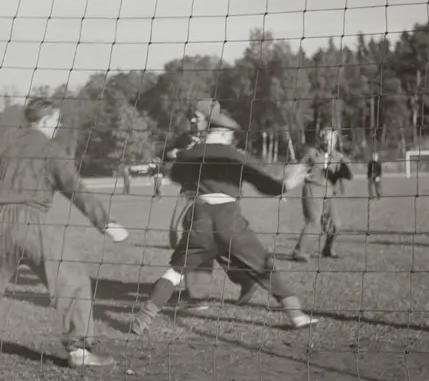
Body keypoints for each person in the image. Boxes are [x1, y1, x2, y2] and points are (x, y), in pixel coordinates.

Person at [0, 97, 129, 369]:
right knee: (73, 279)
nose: (58, 127)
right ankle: (79, 351)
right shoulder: (51, 150)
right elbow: (75, 188)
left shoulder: (9, 148)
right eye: (56, 121)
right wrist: (105, 223)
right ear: (46, 120)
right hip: (30, 221)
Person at [130, 109, 316, 337]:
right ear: (226, 134)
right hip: (229, 217)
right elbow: (265, 184)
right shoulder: (235, 155)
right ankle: (297, 316)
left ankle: (143, 318)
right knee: (264, 266)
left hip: (198, 218)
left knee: (175, 272)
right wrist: (288, 183)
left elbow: (176, 175)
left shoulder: (188, 154)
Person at [163, 99, 255, 310]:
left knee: (198, 240)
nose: (192, 120)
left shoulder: (219, 139)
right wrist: (172, 154)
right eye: (191, 116)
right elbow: (167, 153)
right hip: (188, 194)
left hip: (210, 197)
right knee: (198, 240)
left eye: (197, 116)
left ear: (210, 119)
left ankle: (199, 294)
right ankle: (244, 278)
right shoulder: (186, 138)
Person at [291, 127, 352, 262]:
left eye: (332, 140)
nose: (329, 142)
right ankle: (299, 252)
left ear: (335, 141)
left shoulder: (338, 157)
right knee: (314, 222)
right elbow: (299, 169)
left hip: (329, 192)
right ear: (321, 140)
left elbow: (348, 175)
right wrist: (288, 184)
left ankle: (328, 250)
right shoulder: (312, 153)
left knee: (336, 224)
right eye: (326, 139)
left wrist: (345, 166)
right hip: (312, 189)